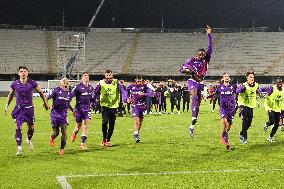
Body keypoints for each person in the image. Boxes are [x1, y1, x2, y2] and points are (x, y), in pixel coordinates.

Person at [4, 66, 49, 156]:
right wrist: (6, 105)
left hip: (29, 109)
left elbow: (41, 93)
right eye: (21, 71)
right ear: (19, 73)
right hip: (19, 109)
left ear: (27, 73)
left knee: (31, 128)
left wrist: (46, 103)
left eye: (25, 71)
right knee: (18, 126)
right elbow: (11, 94)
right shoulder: (15, 84)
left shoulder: (32, 83)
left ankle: (28, 139)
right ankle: (19, 148)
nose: (23, 73)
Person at [180, 25, 212, 138]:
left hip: (200, 83)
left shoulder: (206, 61)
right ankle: (193, 118)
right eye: (199, 54)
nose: (201, 56)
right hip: (192, 81)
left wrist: (209, 35)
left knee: (197, 106)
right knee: (193, 96)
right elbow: (181, 69)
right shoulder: (191, 60)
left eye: (203, 54)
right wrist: (188, 70)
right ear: (196, 54)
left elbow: (210, 48)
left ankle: (192, 125)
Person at [93, 69, 126, 147]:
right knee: (104, 122)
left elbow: (123, 91)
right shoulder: (101, 83)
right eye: (107, 75)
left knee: (112, 124)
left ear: (112, 75)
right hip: (104, 105)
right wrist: (92, 101)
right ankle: (104, 138)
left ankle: (108, 140)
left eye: (110, 75)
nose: (108, 77)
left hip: (114, 106)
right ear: (105, 75)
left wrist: (124, 100)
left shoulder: (116, 82)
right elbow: (95, 92)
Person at [207, 73, 237, 149]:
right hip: (223, 109)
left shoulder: (233, 87)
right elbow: (215, 93)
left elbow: (238, 93)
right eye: (225, 76)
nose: (227, 78)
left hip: (231, 109)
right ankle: (227, 143)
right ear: (223, 78)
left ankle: (223, 134)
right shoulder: (219, 87)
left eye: (228, 76)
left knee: (228, 127)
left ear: (229, 79)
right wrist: (207, 97)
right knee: (224, 124)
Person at [47, 78, 73, 155]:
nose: (66, 83)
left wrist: (73, 110)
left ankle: (61, 149)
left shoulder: (69, 93)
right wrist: (46, 104)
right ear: (60, 84)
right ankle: (52, 137)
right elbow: (47, 97)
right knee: (56, 132)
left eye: (67, 82)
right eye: (64, 82)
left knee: (64, 132)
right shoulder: (56, 90)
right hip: (55, 114)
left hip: (63, 115)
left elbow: (68, 104)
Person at [70, 72, 94, 150]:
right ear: (82, 78)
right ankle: (74, 133)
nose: (86, 77)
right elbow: (70, 96)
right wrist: (68, 105)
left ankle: (82, 144)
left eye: (87, 75)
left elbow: (92, 98)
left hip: (87, 110)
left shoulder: (90, 88)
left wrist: (93, 104)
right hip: (79, 109)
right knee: (78, 127)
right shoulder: (78, 87)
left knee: (86, 125)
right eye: (85, 75)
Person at [126, 75, 153, 142]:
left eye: (140, 81)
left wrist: (144, 94)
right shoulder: (131, 86)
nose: (139, 82)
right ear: (135, 80)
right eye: (138, 81)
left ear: (142, 80)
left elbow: (151, 94)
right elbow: (126, 91)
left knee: (140, 122)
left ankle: (137, 133)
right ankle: (136, 135)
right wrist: (127, 98)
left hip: (142, 106)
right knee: (136, 120)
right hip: (135, 105)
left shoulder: (145, 86)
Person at [236, 71, 259, 144]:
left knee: (249, 122)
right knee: (245, 120)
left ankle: (241, 133)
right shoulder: (244, 86)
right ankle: (244, 138)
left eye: (253, 77)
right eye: (250, 77)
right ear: (247, 78)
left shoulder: (256, 85)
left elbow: (257, 91)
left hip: (250, 105)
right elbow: (237, 91)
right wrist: (240, 89)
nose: (252, 78)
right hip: (242, 104)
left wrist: (257, 100)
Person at [259, 77, 284, 142]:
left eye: (280, 82)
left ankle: (270, 137)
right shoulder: (272, 88)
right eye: (278, 83)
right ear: (276, 84)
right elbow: (262, 89)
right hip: (270, 106)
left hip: (277, 108)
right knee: (272, 121)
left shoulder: (283, 90)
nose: (279, 84)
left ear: (282, 83)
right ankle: (267, 124)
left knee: (277, 124)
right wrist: (261, 92)